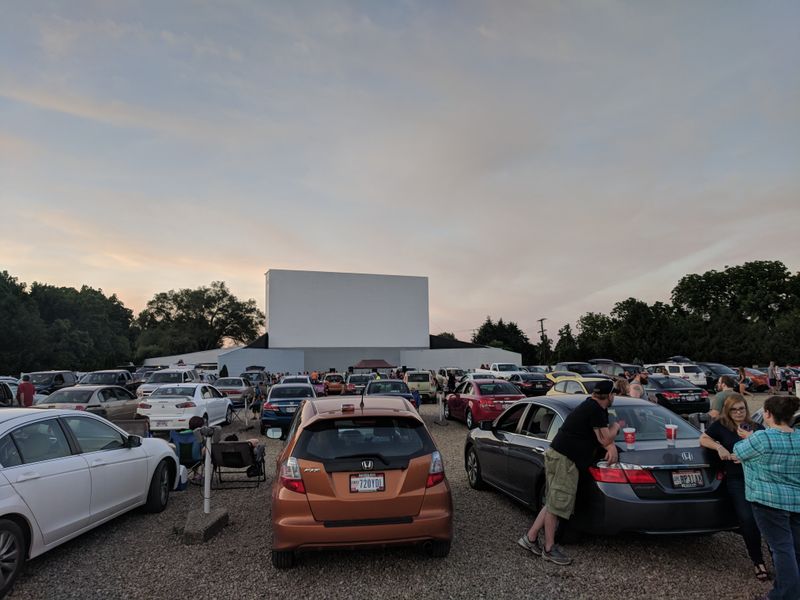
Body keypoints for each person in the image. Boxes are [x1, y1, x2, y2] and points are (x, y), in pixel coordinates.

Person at [518, 379, 622, 566]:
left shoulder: (592, 406)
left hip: (558, 455)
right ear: (609, 395)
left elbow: (602, 438)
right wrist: (617, 427)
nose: (615, 396)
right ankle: (549, 549)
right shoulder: (595, 409)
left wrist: (610, 443)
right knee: (557, 504)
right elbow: (604, 438)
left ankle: (530, 538)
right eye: (614, 394)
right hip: (564, 460)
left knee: (553, 500)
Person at [734, 395, 800, 600]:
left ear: (768, 414)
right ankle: (788, 590)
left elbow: (738, 452)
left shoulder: (762, 438)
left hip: (768, 501)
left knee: (781, 548)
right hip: (796, 500)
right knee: (795, 548)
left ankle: (786, 595)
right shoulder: (798, 437)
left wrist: (748, 437)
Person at [699, 394, 768, 581]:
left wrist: (745, 456)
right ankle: (758, 561)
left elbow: (766, 451)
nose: (738, 413)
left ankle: (778, 560)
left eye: (741, 408)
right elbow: (703, 438)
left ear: (746, 408)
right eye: (734, 409)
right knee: (747, 519)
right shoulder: (721, 426)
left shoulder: (756, 427)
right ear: (727, 411)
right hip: (737, 479)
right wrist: (718, 447)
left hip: (759, 478)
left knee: (766, 519)